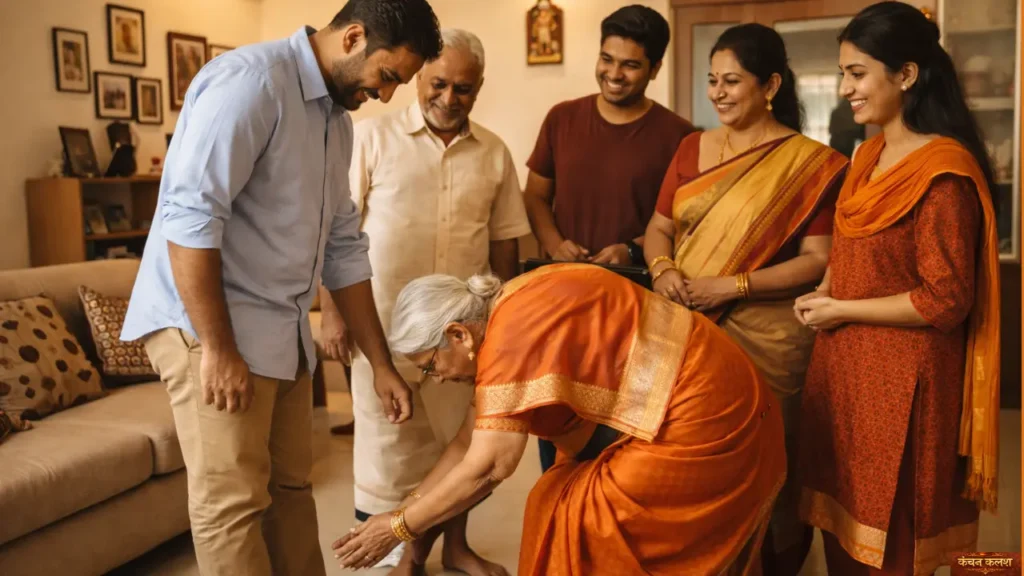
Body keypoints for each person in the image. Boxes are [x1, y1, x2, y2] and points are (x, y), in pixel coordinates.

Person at [120, 2, 442, 575]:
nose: (388, 95)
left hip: (282, 330)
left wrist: (381, 363)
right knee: (232, 506)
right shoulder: (250, 84)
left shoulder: (335, 121)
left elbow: (343, 246)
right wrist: (217, 349)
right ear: (353, 37)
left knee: (291, 489)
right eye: (387, 75)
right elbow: (190, 219)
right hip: (210, 328)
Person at [331, 263, 787, 575]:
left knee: (579, 514)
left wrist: (398, 528)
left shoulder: (509, 339)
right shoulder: (507, 308)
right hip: (701, 394)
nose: (436, 378)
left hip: (707, 415)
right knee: (557, 497)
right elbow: (468, 443)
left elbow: (490, 465)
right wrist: (400, 510)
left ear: (457, 335)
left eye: (430, 366)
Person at [794, 3, 1001, 574]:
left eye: (857, 73)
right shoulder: (866, 156)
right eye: (843, 73)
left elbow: (945, 299)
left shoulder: (943, 171)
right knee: (842, 539)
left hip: (907, 384)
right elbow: (849, 242)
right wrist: (826, 291)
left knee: (891, 544)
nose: (845, 89)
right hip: (845, 373)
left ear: (905, 75)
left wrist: (842, 307)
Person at [317, 27, 530, 576]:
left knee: (459, 447)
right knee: (385, 452)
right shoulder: (370, 138)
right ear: (418, 80)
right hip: (379, 328)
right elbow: (333, 234)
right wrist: (334, 315)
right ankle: (395, 561)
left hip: (465, 340)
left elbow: (505, 246)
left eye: (464, 88)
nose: (448, 98)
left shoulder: (495, 153)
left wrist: (501, 331)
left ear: (478, 89)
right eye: (438, 84)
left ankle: (453, 548)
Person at [643, 23, 848, 576]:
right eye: (712, 81)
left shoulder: (813, 163)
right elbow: (658, 228)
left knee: (771, 458)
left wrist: (731, 286)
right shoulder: (691, 147)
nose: (718, 93)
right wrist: (662, 270)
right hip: (687, 329)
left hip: (772, 338)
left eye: (732, 81)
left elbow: (817, 260)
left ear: (771, 85)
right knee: (692, 454)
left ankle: (775, 562)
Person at [524, 4, 695, 471]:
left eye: (630, 64)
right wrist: (554, 241)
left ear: (655, 68)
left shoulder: (679, 137)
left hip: (634, 303)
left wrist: (632, 247)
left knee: (622, 433)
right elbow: (535, 196)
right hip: (561, 297)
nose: (613, 74)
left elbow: (683, 222)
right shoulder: (562, 118)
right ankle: (558, 520)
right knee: (555, 416)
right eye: (607, 59)